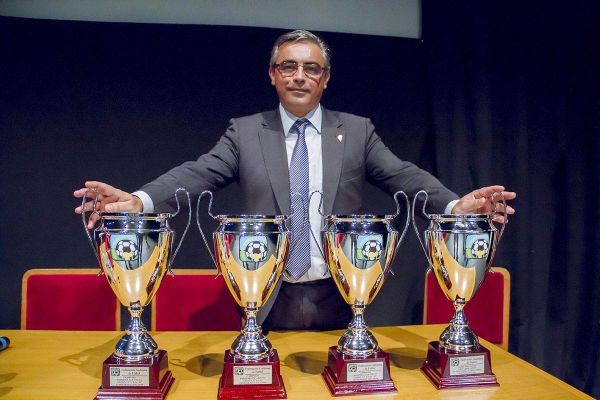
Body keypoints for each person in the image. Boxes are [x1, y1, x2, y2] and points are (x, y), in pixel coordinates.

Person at [74, 30, 516, 331]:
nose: (299, 75)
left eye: (311, 68)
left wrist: (456, 206)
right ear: (273, 75)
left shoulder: (357, 130)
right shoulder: (246, 132)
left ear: (324, 80)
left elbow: (405, 175)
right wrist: (139, 201)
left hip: (341, 296)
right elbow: (197, 173)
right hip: (266, 298)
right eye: (288, 66)